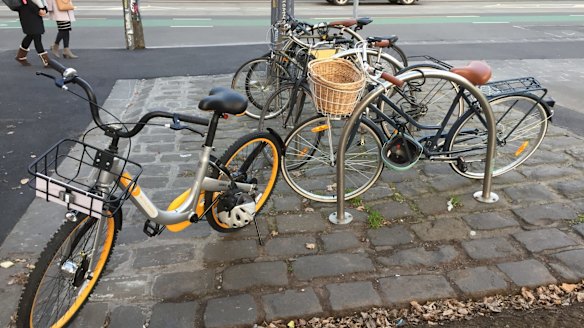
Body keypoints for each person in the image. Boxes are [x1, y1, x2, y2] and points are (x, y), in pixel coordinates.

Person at [15, 0, 49, 67]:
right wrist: (39, 10)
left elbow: (41, 1)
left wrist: (44, 9)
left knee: (31, 35)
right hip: (27, 14)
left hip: (34, 15)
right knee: (36, 35)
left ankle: (20, 56)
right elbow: (26, 2)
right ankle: (46, 61)